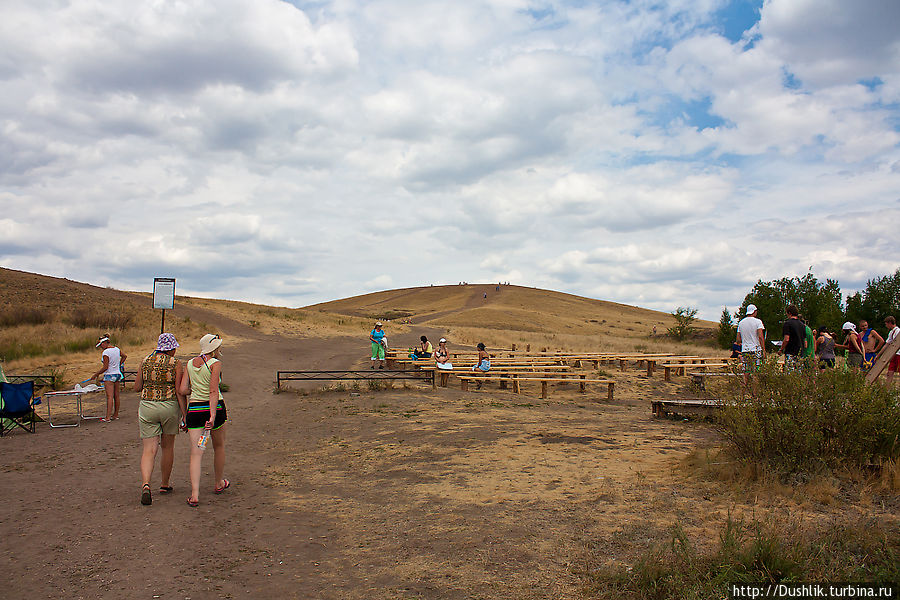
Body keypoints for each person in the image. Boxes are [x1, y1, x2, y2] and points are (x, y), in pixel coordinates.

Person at [133, 333, 186, 506]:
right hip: (168, 407)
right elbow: (179, 390)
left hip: (147, 407)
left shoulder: (145, 361)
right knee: (168, 446)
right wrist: (185, 414)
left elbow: (137, 387)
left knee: (149, 450)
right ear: (171, 348)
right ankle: (164, 484)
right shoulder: (176, 364)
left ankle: (146, 484)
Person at [178, 334, 229, 507]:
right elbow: (214, 391)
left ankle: (194, 494)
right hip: (214, 408)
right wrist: (212, 416)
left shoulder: (190, 363)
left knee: (196, 452)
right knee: (219, 446)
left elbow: (183, 389)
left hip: (195, 409)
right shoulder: (215, 364)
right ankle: (218, 482)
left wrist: (196, 388)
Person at [89, 334, 127, 422]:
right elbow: (124, 356)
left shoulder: (106, 352)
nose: (101, 347)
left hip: (109, 375)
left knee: (109, 397)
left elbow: (105, 367)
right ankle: (115, 415)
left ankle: (107, 417)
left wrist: (96, 374)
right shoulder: (117, 349)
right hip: (117, 374)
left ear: (104, 343)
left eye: (101, 345)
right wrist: (119, 365)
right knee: (116, 396)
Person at [735, 304, 766, 387]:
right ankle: (755, 396)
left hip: (745, 350)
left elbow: (738, 339)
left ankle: (743, 395)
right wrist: (763, 350)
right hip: (756, 350)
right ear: (754, 312)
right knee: (756, 374)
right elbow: (760, 336)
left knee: (746, 373)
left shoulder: (741, 323)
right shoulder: (758, 322)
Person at [779, 304, 806, 371]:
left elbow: (786, 339)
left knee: (789, 373)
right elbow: (805, 342)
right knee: (798, 375)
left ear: (789, 313)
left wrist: (781, 349)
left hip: (790, 352)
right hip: (800, 354)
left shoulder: (787, 324)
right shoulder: (802, 325)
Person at [878, 316, 900, 386]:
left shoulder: (898, 331)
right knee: (890, 372)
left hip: (899, 354)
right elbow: (886, 344)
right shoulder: (891, 332)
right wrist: (878, 355)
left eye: (886, 324)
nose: (886, 326)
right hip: (893, 354)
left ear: (890, 323)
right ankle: (886, 390)